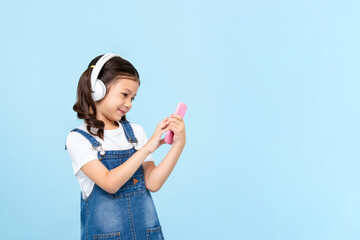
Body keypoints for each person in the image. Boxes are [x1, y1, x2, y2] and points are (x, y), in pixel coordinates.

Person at [65, 53, 186, 240]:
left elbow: (153, 183)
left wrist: (178, 145)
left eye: (133, 98)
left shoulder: (135, 132)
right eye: (124, 94)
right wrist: (146, 148)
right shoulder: (78, 139)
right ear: (97, 90)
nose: (129, 104)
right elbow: (109, 183)